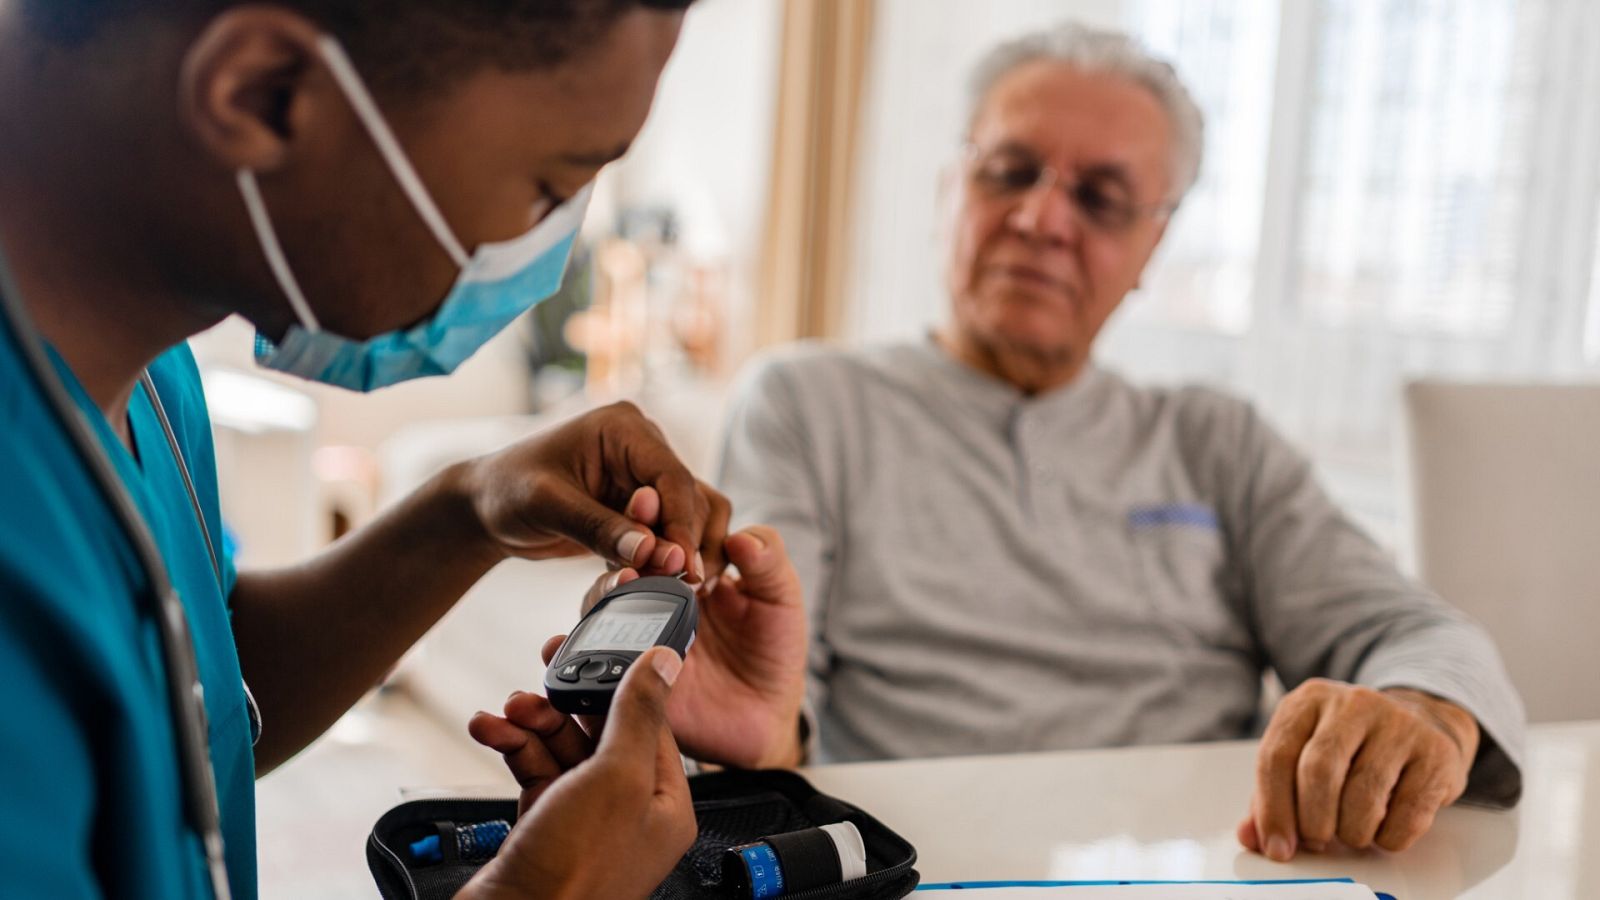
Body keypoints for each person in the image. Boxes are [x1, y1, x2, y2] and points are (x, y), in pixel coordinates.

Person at [0, 1, 807, 898]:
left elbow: (189, 695)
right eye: (548, 186)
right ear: (262, 93)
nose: (542, 256)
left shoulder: (148, 371)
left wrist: (470, 510)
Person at [716, 22, 1526, 863]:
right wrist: (763, 742)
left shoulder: (1219, 441)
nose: (1040, 220)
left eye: (1100, 199)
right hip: (916, 862)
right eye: (1010, 171)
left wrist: (1424, 714)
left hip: (1206, 866)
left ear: (1153, 246)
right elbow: (774, 702)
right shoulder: (808, 406)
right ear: (949, 188)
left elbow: (1418, 635)